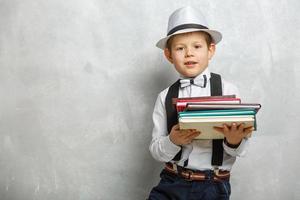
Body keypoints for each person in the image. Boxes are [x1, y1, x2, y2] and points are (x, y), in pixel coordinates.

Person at [147, 6, 254, 200]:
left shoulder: (228, 91)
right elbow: (156, 151)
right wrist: (172, 141)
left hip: (213, 186)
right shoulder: (164, 97)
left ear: (210, 49)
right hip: (171, 181)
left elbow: (241, 149)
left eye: (197, 46)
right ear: (169, 55)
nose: (189, 53)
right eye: (180, 48)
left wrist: (234, 140)